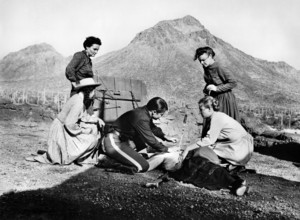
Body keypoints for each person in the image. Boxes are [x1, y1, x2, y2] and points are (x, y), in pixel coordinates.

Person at [26, 78, 105, 165]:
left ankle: (78, 157)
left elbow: (83, 116)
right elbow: (69, 123)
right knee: (91, 139)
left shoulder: (77, 98)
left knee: (90, 132)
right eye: (93, 91)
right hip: (60, 131)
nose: (93, 94)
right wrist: (83, 130)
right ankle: (80, 158)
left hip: (62, 128)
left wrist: (96, 119)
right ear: (88, 91)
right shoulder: (78, 102)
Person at [100, 97, 179, 173]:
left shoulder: (144, 112)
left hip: (122, 140)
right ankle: (111, 162)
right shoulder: (141, 117)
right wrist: (167, 149)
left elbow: (152, 127)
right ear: (154, 112)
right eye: (161, 114)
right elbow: (151, 140)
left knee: (143, 151)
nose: (160, 118)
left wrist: (164, 136)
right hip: (113, 142)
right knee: (143, 166)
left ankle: (116, 158)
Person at [181, 96, 253, 170]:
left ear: (209, 108)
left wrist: (188, 148)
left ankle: (230, 166)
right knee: (206, 149)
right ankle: (228, 165)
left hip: (241, 149)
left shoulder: (217, 118)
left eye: (201, 110)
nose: (200, 112)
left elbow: (209, 140)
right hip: (239, 146)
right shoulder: (217, 116)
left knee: (201, 152)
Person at [194, 46, 240, 122]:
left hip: (224, 99)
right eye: (200, 61)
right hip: (214, 98)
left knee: (222, 123)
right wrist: (206, 89)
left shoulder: (220, 67)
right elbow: (211, 82)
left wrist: (216, 88)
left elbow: (233, 82)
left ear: (210, 56)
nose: (202, 63)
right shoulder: (206, 67)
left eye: (203, 60)